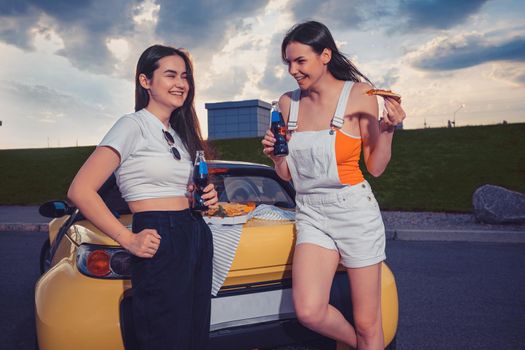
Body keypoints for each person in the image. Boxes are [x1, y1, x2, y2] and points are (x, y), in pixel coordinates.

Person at [262, 21, 406, 350]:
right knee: (310, 311)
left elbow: (376, 167)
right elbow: (287, 175)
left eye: (300, 61)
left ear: (325, 55)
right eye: (288, 62)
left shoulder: (358, 96)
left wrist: (388, 129)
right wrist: (275, 156)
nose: (293, 70)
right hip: (311, 213)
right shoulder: (287, 103)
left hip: (354, 213)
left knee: (369, 322)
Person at [68, 44, 218, 349]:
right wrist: (128, 238)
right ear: (145, 81)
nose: (181, 84)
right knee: (164, 335)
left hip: (193, 231)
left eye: (185, 77)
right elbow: (80, 190)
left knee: (195, 333)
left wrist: (203, 199)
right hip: (160, 232)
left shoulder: (176, 133)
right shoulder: (131, 125)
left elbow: (171, 190)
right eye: (171, 75)